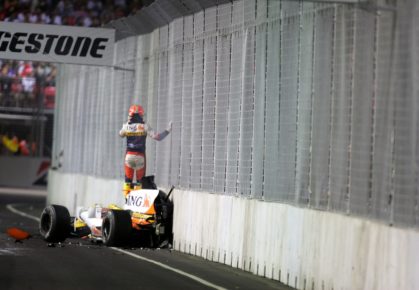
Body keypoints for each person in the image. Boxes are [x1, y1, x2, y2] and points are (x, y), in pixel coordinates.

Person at [119, 104, 172, 198]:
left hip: (129, 157)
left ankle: (127, 200)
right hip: (140, 158)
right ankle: (138, 202)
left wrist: (128, 125)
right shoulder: (145, 126)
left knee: (128, 180)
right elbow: (158, 137)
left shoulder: (126, 126)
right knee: (140, 181)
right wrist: (167, 131)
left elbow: (120, 134)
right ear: (141, 115)